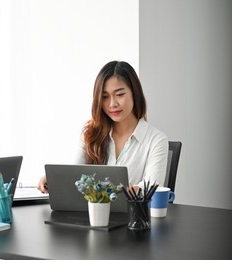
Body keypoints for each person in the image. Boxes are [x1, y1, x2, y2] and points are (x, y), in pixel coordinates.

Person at [37, 60, 168, 193]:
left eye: (120, 94)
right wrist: (53, 179)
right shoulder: (90, 133)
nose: (112, 104)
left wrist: (133, 191)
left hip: (132, 213)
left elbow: (152, 187)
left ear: (135, 93)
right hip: (90, 213)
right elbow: (74, 173)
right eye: (105, 97)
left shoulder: (156, 140)